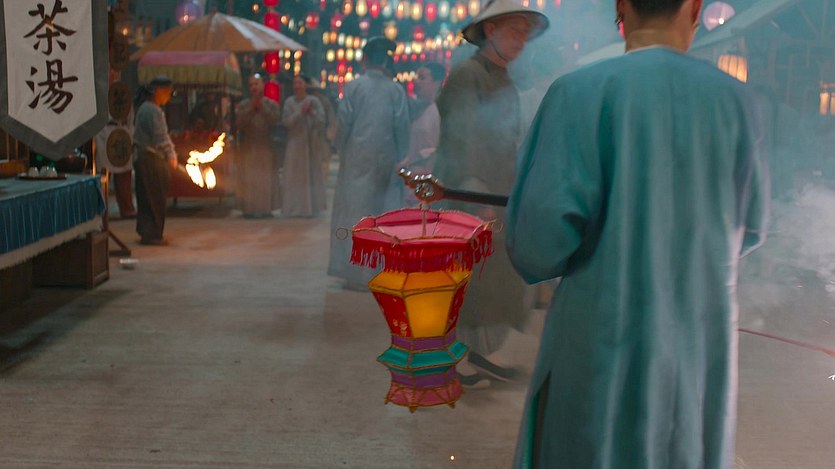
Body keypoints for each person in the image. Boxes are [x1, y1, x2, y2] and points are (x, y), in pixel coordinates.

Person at [505, 0, 770, 467]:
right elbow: (750, 228)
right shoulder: (738, 103)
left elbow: (535, 245)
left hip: (598, 344)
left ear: (621, 9)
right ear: (695, 8)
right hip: (696, 346)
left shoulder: (577, 92)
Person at [433, 0, 548, 386]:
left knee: (491, 278)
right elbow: (461, 137)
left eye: (525, 34)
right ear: (489, 30)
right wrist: (476, 193)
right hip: (470, 194)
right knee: (470, 277)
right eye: (514, 31)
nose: (520, 41)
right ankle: (455, 360)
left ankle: (474, 354)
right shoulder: (468, 75)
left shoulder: (502, 78)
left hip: (497, 192)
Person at [328, 36, 410, 291]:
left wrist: (340, 148)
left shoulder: (354, 87)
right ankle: (378, 270)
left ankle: (354, 272)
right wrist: (401, 156)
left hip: (356, 157)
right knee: (381, 213)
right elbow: (402, 128)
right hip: (385, 159)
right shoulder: (396, 90)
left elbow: (344, 123)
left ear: (364, 59)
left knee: (354, 212)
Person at [132, 76, 178, 246]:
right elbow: (161, 137)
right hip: (151, 159)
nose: (168, 96)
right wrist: (171, 155)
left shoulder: (145, 107)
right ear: (157, 91)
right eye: (167, 92)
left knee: (146, 198)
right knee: (154, 198)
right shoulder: (152, 110)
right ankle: (152, 235)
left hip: (144, 158)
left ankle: (147, 232)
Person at [399, 62, 446, 207]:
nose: (416, 82)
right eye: (417, 77)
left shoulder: (440, 111)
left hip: (427, 181)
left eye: (422, 78)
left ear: (436, 83)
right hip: (411, 179)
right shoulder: (416, 110)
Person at [236, 73, 282, 218]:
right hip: (249, 146)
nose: (254, 87)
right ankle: (249, 209)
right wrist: (251, 108)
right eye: (251, 85)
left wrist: (263, 108)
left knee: (265, 179)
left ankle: (265, 209)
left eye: (256, 84)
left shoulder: (271, 104)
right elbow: (239, 123)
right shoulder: (244, 105)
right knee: (249, 179)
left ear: (262, 85)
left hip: (266, 145)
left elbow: (276, 121)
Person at [281, 75, 326, 218]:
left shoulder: (314, 101)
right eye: (295, 83)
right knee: (293, 176)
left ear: (305, 85)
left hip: (310, 143)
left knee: (311, 174)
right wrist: (300, 113)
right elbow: (286, 122)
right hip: (294, 143)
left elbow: (321, 121)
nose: (297, 86)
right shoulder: (289, 102)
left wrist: (311, 113)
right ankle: (293, 208)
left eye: (300, 83)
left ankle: (311, 208)